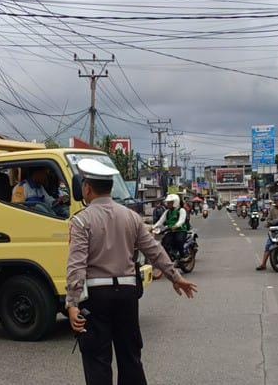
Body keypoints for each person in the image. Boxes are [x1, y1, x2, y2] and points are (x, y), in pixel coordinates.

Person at [66, 159, 198, 385]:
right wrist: (175, 277)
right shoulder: (131, 217)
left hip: (96, 297)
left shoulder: (81, 221)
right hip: (127, 295)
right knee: (130, 358)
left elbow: (76, 265)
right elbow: (154, 250)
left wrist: (72, 303)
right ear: (110, 188)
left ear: (87, 188)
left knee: (97, 360)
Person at [152, 194, 188, 258]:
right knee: (165, 242)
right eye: (168, 202)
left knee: (179, 240)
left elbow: (181, 221)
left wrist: (176, 226)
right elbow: (160, 221)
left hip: (180, 230)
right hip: (170, 230)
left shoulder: (181, 210)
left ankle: (183, 256)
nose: (168, 204)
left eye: (170, 202)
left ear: (175, 202)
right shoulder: (167, 212)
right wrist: (153, 227)